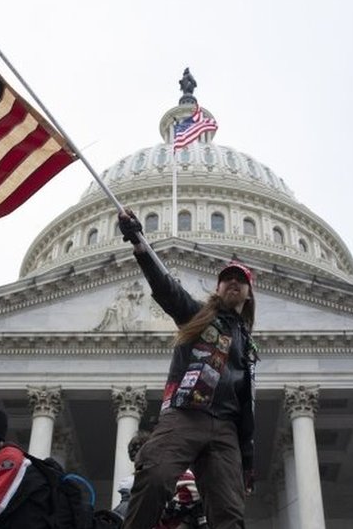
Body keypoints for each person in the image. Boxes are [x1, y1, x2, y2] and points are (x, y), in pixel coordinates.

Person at [117, 209, 258, 529]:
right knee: (154, 476)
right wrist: (139, 242)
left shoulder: (247, 345)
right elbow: (168, 290)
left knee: (229, 511)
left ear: (248, 294)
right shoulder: (200, 316)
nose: (233, 283)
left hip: (226, 428)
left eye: (240, 280)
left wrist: (246, 458)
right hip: (187, 413)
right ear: (218, 288)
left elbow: (245, 403)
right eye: (227, 279)